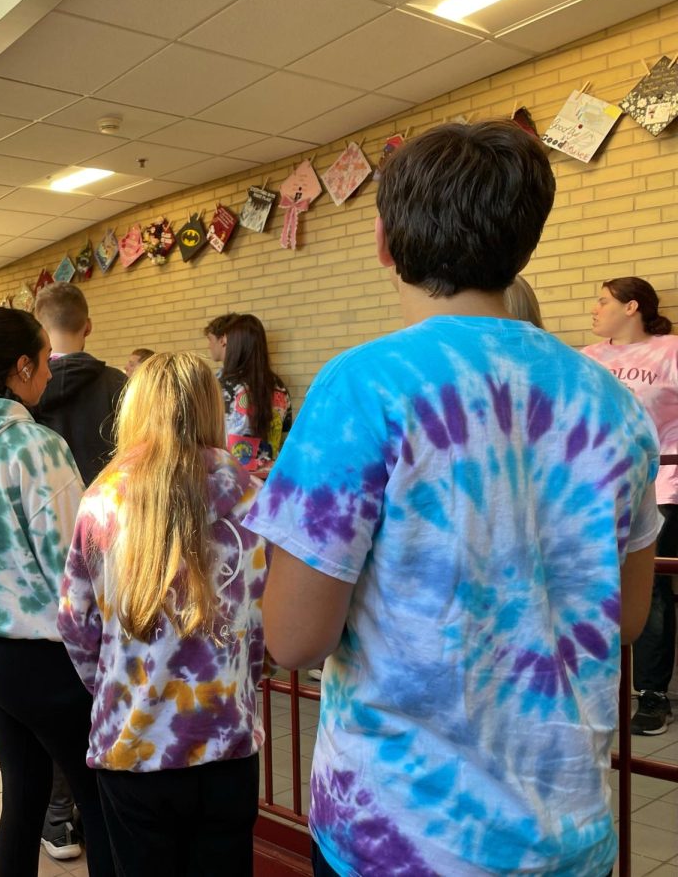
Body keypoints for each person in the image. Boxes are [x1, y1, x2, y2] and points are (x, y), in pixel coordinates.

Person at [244, 120, 662, 877]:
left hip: (397, 835)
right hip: (567, 833)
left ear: (383, 241)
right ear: (524, 245)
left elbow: (296, 639)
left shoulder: (361, 388)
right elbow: (627, 616)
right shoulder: (613, 405)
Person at [59, 351, 269, 876]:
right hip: (228, 742)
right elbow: (265, 626)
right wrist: (241, 682)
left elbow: (75, 623)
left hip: (134, 743)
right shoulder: (257, 499)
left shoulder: (103, 500)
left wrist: (114, 685)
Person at [0, 308, 113, 877]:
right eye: (46, 362)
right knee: (100, 799)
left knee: (24, 796)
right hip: (35, 651)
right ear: (23, 365)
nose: (51, 374)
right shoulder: (35, 445)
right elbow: (73, 565)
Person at [31, 282, 126, 859]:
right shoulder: (120, 387)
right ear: (87, 326)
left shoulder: (27, 393)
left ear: (40, 336)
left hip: (46, 558)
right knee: (108, 677)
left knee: (59, 684)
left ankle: (59, 813)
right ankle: (106, 806)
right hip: (113, 550)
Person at [584, 276, 678, 736]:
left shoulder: (670, 350)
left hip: (661, 483)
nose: (595, 309)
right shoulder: (588, 358)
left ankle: (653, 695)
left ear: (632, 306)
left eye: (603, 301)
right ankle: (599, 682)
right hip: (596, 489)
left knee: (653, 589)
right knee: (595, 580)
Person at [33, 282, 126, 486]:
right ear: (88, 327)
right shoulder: (119, 382)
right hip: (110, 506)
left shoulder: (29, 389)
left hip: (49, 507)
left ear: (40, 330)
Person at [219, 314, 292, 472]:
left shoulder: (222, 384)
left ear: (234, 346)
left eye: (226, 341)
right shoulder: (279, 387)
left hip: (230, 478)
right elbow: (286, 433)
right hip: (269, 479)